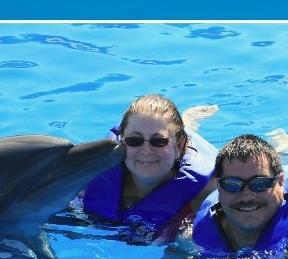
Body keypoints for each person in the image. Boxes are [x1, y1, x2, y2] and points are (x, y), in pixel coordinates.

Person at [81, 94, 218, 244]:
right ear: (122, 141)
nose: (146, 150)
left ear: (179, 146)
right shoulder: (93, 174)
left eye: (159, 141)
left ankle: (189, 121)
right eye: (135, 140)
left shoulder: (204, 191)